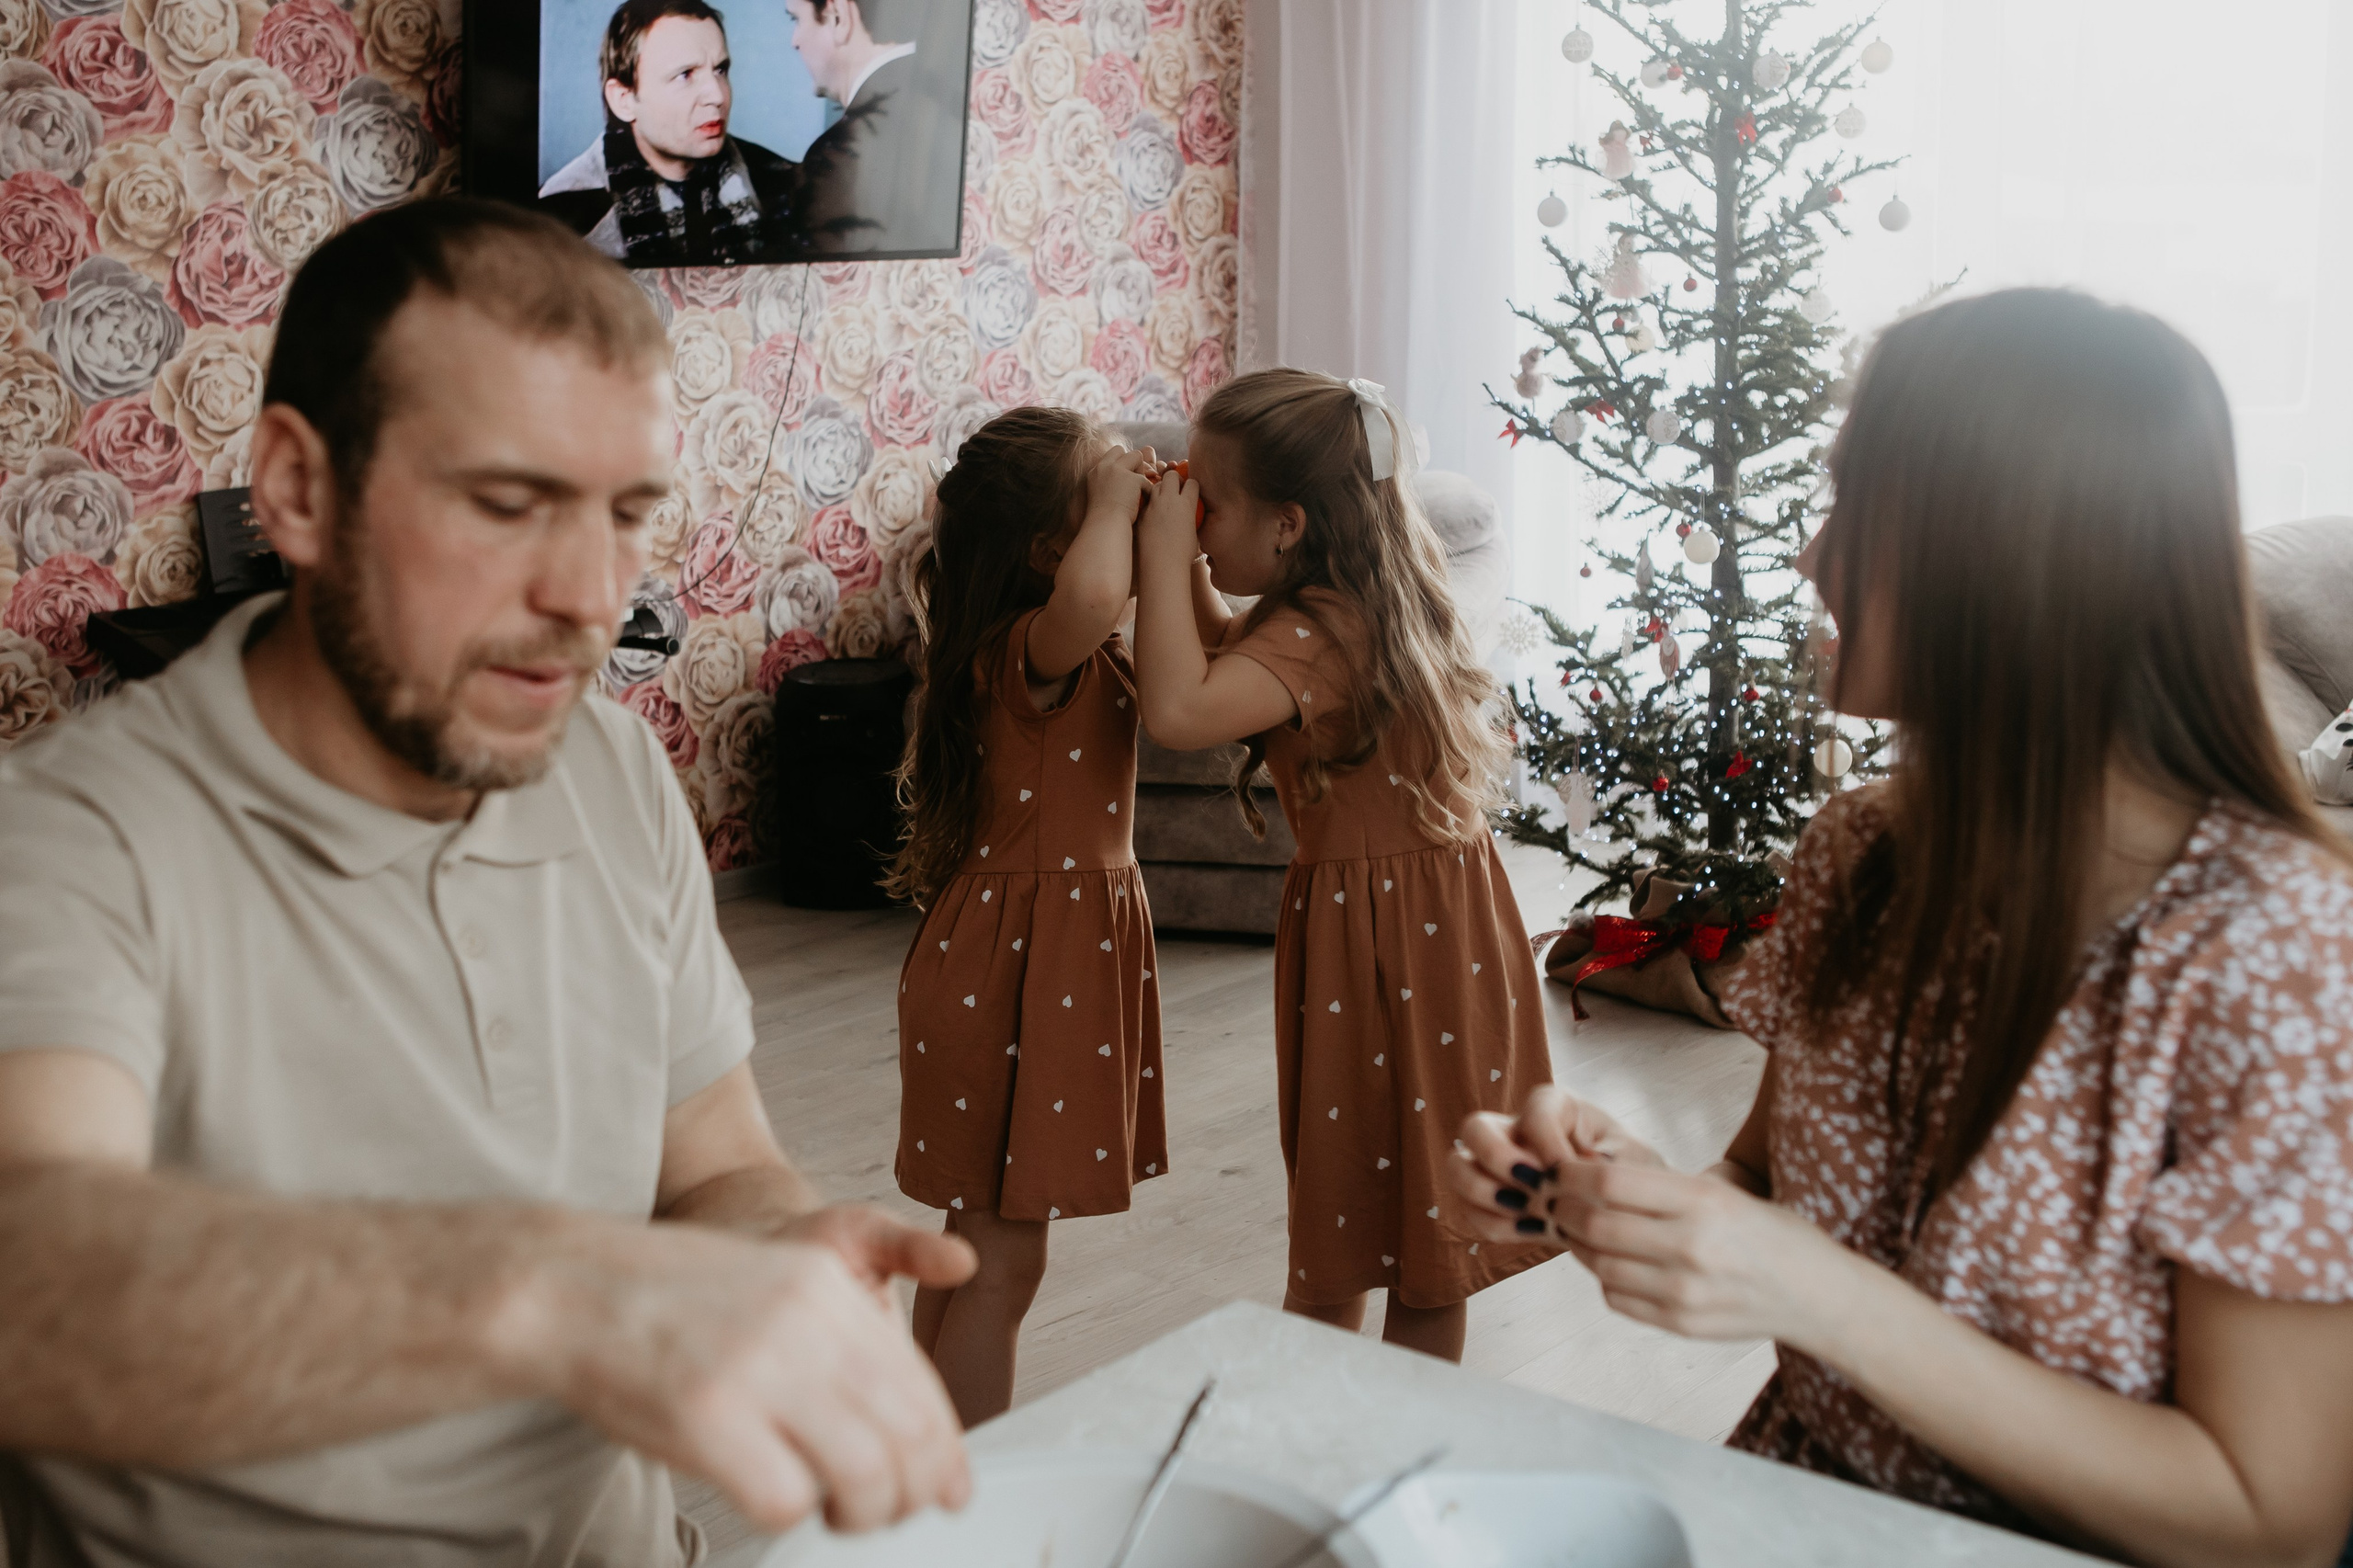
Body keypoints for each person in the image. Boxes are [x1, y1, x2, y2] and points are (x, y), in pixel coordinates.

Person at [0, 198, 975, 1567]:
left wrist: (777, 1248)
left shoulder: (613, 771)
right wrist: (556, 1292)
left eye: (629, 515)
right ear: (296, 490)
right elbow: (31, 1277)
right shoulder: (64, 838)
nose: (590, 595)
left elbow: (716, 1162)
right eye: (509, 505)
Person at [1447, 290, 2353, 1567]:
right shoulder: (1856, 852)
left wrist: (1829, 1302)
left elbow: (2273, 1517)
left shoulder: (2280, 954)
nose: (1814, 553)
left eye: (1856, 498)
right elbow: (1768, 1185)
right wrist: (1621, 1194)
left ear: (2014, 551)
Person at [1129, 369, 1553, 1364]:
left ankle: (1350, 1441)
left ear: (1285, 524)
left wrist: (1155, 552)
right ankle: (1364, 1440)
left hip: (1395, 942)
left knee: (1401, 1233)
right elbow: (1224, 647)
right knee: (1395, 1214)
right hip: (1414, 920)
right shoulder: (1331, 603)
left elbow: (1180, 710)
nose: (1195, 518)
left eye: (1211, 503)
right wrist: (1184, 554)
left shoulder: (1322, 632)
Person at [884, 408, 1169, 1427]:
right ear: (1055, 548)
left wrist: (1153, 525)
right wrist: (1111, 507)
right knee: (1004, 1259)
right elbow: (1096, 591)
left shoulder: (1049, 650)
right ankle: (965, 1489)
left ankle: (921, 1463)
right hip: (1021, 972)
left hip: (1009, 961)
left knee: (971, 1245)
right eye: (1104, 498)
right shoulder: (1032, 649)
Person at [540, 0, 801, 266]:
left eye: (720, 69)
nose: (717, 95)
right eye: (685, 75)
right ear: (624, 100)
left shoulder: (782, 179)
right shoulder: (560, 212)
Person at [785, 0, 962, 256]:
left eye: (796, 19)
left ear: (838, 16)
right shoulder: (952, 105)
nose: (794, 41)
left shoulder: (835, 154)